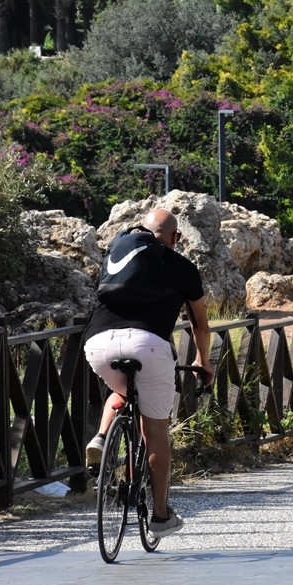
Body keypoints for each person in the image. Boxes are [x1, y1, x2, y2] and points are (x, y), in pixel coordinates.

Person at [84, 208, 213, 538]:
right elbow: (200, 324)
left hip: (98, 343)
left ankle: (101, 437)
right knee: (155, 429)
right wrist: (203, 362)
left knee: (123, 391)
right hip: (149, 345)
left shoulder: (120, 255)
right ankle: (160, 516)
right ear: (175, 237)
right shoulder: (181, 266)